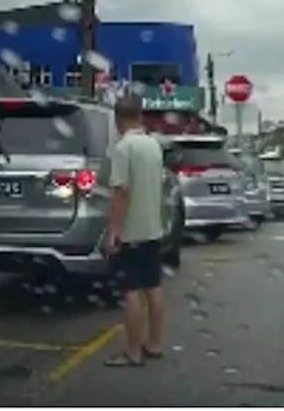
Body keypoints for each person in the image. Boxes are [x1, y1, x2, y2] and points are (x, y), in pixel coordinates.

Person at [103, 95, 168, 367]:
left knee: (130, 291)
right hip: (153, 228)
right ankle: (154, 343)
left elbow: (121, 193)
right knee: (153, 287)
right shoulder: (154, 146)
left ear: (117, 121)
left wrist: (113, 231)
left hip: (131, 232)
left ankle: (132, 352)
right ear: (140, 117)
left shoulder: (123, 148)